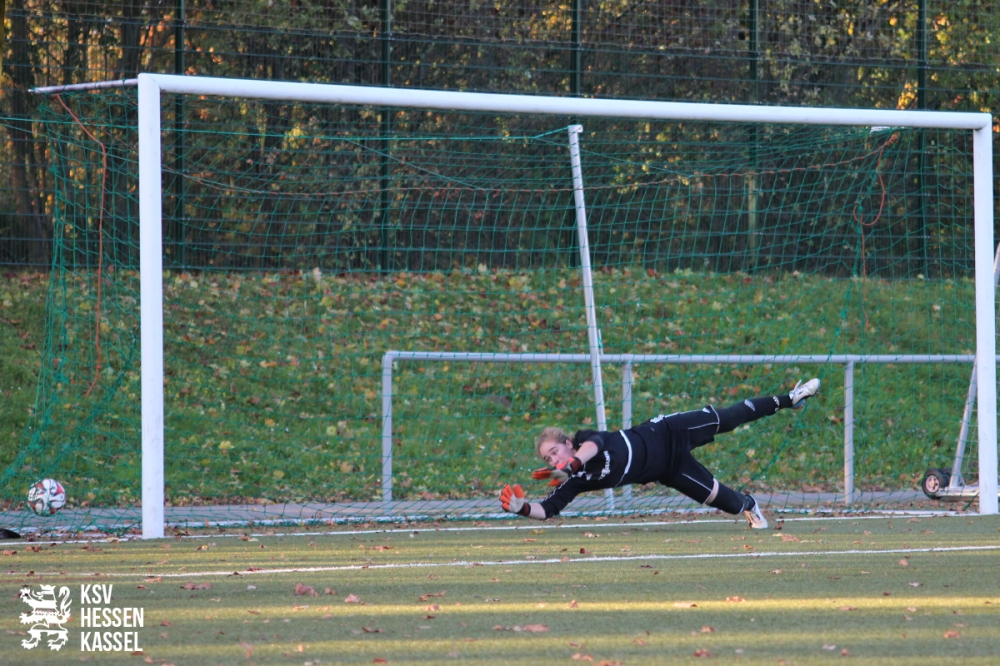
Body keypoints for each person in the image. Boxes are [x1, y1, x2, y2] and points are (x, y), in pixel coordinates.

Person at [499, 379, 821, 529]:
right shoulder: (575, 480)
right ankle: (750, 504)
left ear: (568, 443)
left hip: (668, 431)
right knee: (729, 503)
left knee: (730, 418)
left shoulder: (584, 441)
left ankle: (790, 398)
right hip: (668, 469)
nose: (553, 460)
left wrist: (570, 465)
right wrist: (521, 508)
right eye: (547, 459)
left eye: (555, 451)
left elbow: (591, 448)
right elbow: (549, 509)